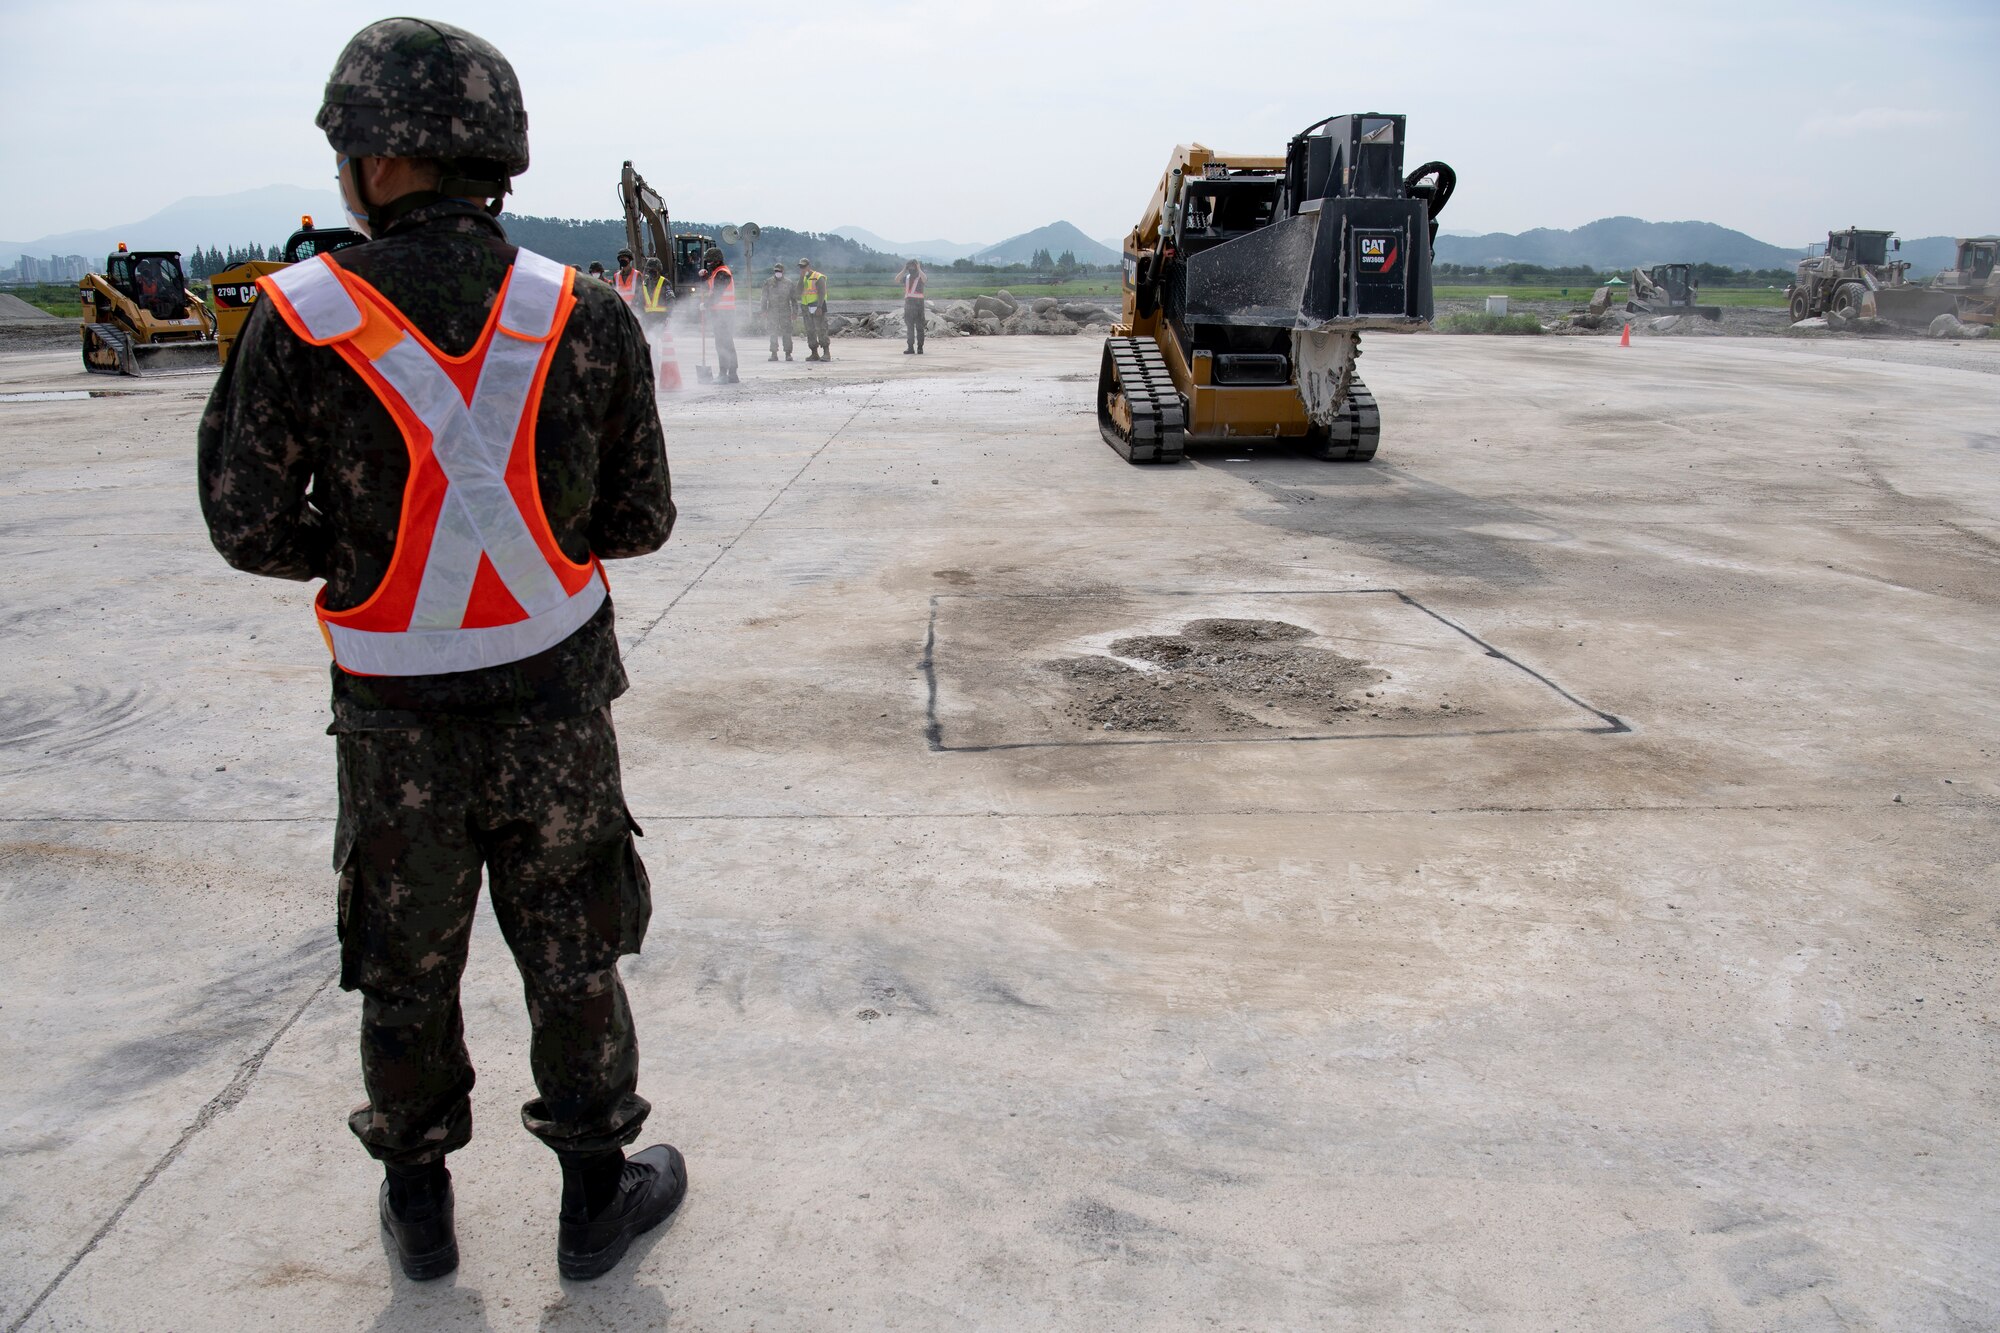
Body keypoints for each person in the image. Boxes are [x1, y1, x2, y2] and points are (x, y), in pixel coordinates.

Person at [196, 17, 686, 1286]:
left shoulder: (297, 316)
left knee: (404, 963)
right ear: (495, 158)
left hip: (392, 722)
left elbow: (247, 526)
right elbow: (638, 519)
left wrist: (372, 555)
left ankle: (419, 1208)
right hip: (556, 711)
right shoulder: (584, 313)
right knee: (573, 952)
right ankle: (592, 1200)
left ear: (375, 159)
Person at [703, 245, 738, 384]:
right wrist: (704, 278)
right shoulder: (717, 273)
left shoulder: (722, 273)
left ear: (717, 261)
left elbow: (717, 293)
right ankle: (731, 374)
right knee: (724, 343)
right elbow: (710, 288)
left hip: (725, 314)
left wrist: (705, 304)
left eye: (710, 261)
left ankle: (727, 374)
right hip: (720, 313)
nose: (708, 264)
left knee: (724, 344)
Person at [798, 256, 830, 361]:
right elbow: (798, 291)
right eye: (801, 267)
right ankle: (814, 353)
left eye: (804, 266)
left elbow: (822, 293)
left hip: (818, 307)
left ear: (808, 266)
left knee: (821, 329)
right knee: (810, 331)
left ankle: (826, 353)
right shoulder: (803, 278)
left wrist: (819, 307)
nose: (802, 268)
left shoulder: (818, 277)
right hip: (807, 308)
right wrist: (801, 278)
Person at [761, 261, 794, 361]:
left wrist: (795, 312)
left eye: (779, 271)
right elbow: (764, 297)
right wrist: (763, 310)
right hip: (772, 311)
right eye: (776, 271)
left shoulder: (789, 283)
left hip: (785, 312)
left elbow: (794, 299)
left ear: (783, 271)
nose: (777, 272)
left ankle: (788, 353)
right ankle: (774, 353)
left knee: (787, 333)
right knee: (773, 332)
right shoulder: (768, 282)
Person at [900, 258, 928, 354]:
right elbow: (896, 279)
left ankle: (920, 348)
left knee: (920, 328)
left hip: (919, 305)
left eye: (913, 266)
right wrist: (904, 269)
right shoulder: (906, 277)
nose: (911, 268)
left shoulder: (920, 276)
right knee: (910, 328)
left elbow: (925, 279)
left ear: (916, 267)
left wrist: (919, 268)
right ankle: (910, 348)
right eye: (910, 266)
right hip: (908, 306)